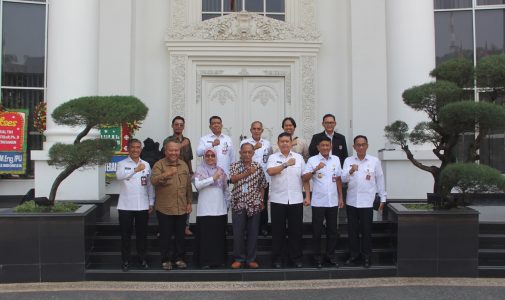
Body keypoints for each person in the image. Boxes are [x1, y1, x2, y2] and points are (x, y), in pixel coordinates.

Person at [342, 135, 387, 268]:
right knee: (353, 231)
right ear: (354, 147)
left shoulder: (374, 161)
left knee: (367, 231)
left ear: (367, 145)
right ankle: (354, 255)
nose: (360, 147)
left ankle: (367, 257)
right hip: (352, 202)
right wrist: (350, 171)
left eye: (363, 144)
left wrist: (383, 198)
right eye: (358, 145)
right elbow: (343, 178)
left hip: (367, 202)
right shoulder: (348, 160)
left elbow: (380, 180)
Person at [267, 132, 311, 268]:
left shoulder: (299, 158)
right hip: (277, 200)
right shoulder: (273, 157)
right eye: (282, 141)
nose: (285, 143)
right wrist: (285, 164)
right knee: (277, 232)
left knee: (295, 231)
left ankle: (295, 258)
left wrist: (307, 196)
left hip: (296, 200)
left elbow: (305, 178)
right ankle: (277, 259)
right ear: (278, 143)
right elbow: (270, 171)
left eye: (287, 141)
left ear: (291, 143)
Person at [302, 136, 344, 268]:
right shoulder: (312, 160)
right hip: (318, 202)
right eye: (323, 145)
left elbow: (338, 179)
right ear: (318, 147)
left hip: (333, 202)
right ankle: (317, 258)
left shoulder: (336, 159)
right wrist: (315, 169)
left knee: (332, 231)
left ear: (331, 146)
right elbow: (305, 178)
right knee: (317, 231)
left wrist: (341, 198)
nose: (325, 147)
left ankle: (330, 256)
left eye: (327, 145)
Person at [151, 140, 193, 270]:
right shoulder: (159, 165)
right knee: (166, 235)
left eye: (176, 150)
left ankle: (179, 258)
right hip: (165, 208)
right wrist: (166, 174)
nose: (174, 152)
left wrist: (190, 202)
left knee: (180, 235)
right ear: (165, 151)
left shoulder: (184, 165)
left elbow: (188, 186)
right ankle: (166, 259)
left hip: (181, 206)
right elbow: (153, 180)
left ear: (179, 151)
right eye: (171, 150)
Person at [115, 138, 155, 271]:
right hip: (126, 205)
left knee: (142, 235)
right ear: (128, 148)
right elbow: (119, 176)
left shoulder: (146, 164)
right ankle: (125, 260)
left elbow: (149, 185)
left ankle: (142, 259)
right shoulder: (122, 163)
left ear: (141, 149)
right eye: (133, 147)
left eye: (138, 147)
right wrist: (135, 170)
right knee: (125, 235)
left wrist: (151, 202)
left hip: (142, 205)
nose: (135, 150)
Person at [230, 143, 268, 269]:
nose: (246, 154)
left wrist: (261, 199)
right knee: (238, 233)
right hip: (239, 203)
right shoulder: (234, 165)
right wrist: (247, 173)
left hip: (254, 204)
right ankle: (239, 258)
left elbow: (263, 185)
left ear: (253, 153)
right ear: (240, 153)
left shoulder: (257, 166)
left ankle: (251, 259)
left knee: (253, 233)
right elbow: (233, 179)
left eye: (249, 152)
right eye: (244, 152)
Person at [193, 148, 230, 269]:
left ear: (216, 157)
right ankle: (205, 262)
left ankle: (218, 261)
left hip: (219, 209)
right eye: (207, 155)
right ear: (204, 157)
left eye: (212, 155)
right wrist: (213, 178)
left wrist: (227, 205)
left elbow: (225, 190)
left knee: (218, 237)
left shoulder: (221, 171)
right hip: (205, 210)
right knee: (206, 237)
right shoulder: (200, 170)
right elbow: (198, 185)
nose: (210, 158)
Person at [240, 121, 272, 236]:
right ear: (251, 130)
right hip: (248, 178)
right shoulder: (245, 142)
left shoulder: (267, 143)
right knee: (247, 203)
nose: (256, 131)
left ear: (262, 130)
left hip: (264, 178)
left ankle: (263, 227)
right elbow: (242, 156)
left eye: (259, 129)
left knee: (262, 203)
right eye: (254, 128)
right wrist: (253, 147)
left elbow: (270, 159)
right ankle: (247, 228)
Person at [163, 116, 194, 236]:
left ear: (184, 127)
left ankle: (185, 226)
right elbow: (164, 153)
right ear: (172, 126)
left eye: (181, 125)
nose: (179, 127)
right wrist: (180, 145)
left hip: (184, 172)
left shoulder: (187, 140)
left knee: (186, 198)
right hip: (170, 171)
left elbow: (189, 158)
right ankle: (166, 228)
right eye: (176, 124)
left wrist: (191, 171)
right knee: (170, 197)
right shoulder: (168, 140)